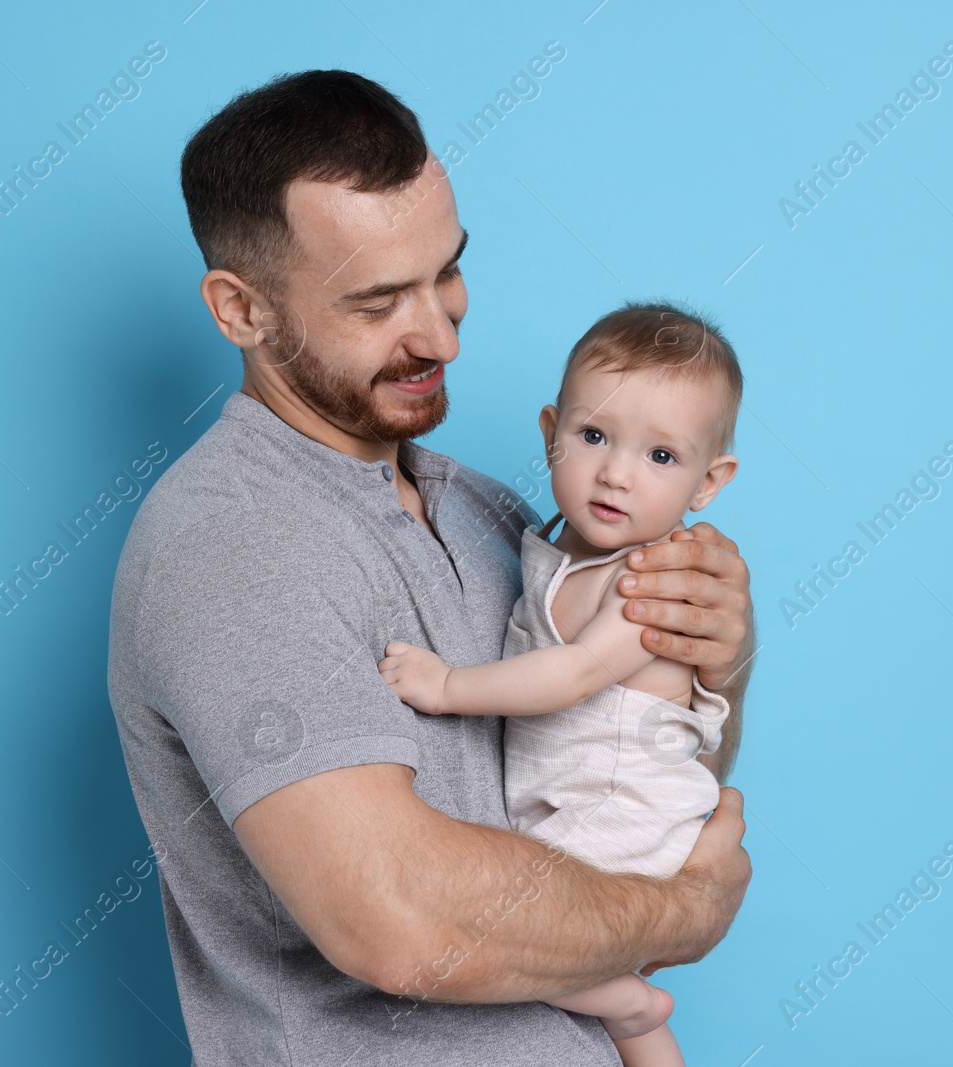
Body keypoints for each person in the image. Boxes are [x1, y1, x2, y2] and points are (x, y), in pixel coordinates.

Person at [106, 69, 757, 1065]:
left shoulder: (487, 509)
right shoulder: (233, 542)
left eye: (445, 272)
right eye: (378, 301)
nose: (441, 333)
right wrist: (681, 909)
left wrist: (718, 661)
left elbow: (624, 767)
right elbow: (399, 919)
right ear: (241, 311)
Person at [378, 301, 743, 1067]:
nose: (615, 473)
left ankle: (633, 1007)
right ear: (551, 432)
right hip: (570, 796)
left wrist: (446, 684)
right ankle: (632, 1018)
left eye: (662, 457)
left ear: (710, 483)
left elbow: (574, 673)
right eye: (594, 436)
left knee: (503, 932)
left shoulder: (651, 580)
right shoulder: (550, 542)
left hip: (623, 809)